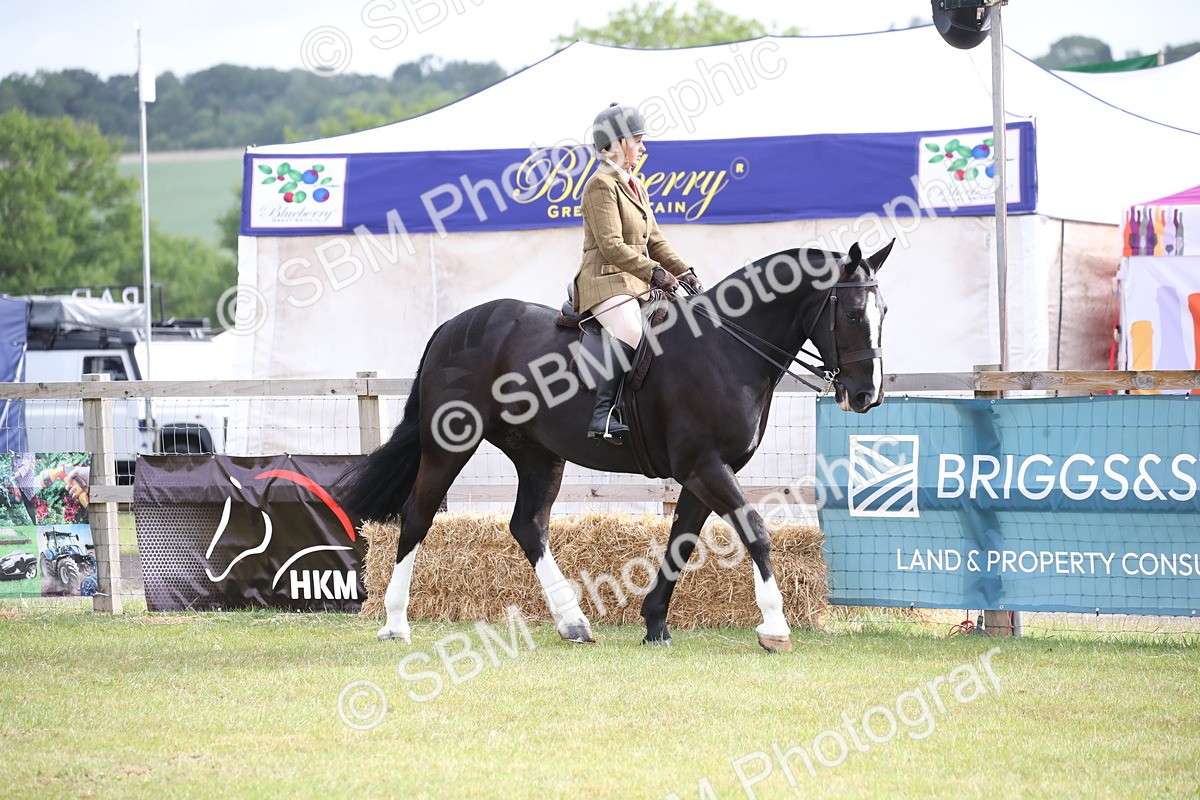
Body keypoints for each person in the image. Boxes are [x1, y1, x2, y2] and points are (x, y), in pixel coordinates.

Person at [574, 102, 703, 443]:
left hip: (635, 284)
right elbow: (612, 245)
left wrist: (685, 272)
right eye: (637, 140)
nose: (643, 147)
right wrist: (656, 272)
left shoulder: (636, 185)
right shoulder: (599, 185)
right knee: (633, 332)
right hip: (603, 280)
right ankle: (602, 416)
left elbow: (656, 241)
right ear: (615, 144)